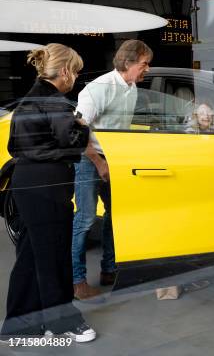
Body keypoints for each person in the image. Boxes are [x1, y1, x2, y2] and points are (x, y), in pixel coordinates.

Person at [1, 44, 96, 342]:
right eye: (76, 71)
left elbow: (13, 147)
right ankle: (63, 322)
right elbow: (72, 143)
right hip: (48, 187)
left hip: (27, 184)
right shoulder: (55, 102)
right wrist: (82, 125)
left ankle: (18, 325)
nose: (76, 77)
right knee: (53, 256)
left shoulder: (29, 99)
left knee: (31, 255)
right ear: (66, 71)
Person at [72, 40, 153, 300]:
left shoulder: (132, 88)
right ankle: (77, 281)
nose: (147, 70)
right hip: (89, 158)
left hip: (113, 158)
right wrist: (100, 163)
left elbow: (120, 131)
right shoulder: (98, 89)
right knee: (84, 220)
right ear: (128, 63)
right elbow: (78, 131)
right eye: (144, 64)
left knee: (115, 215)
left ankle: (109, 269)